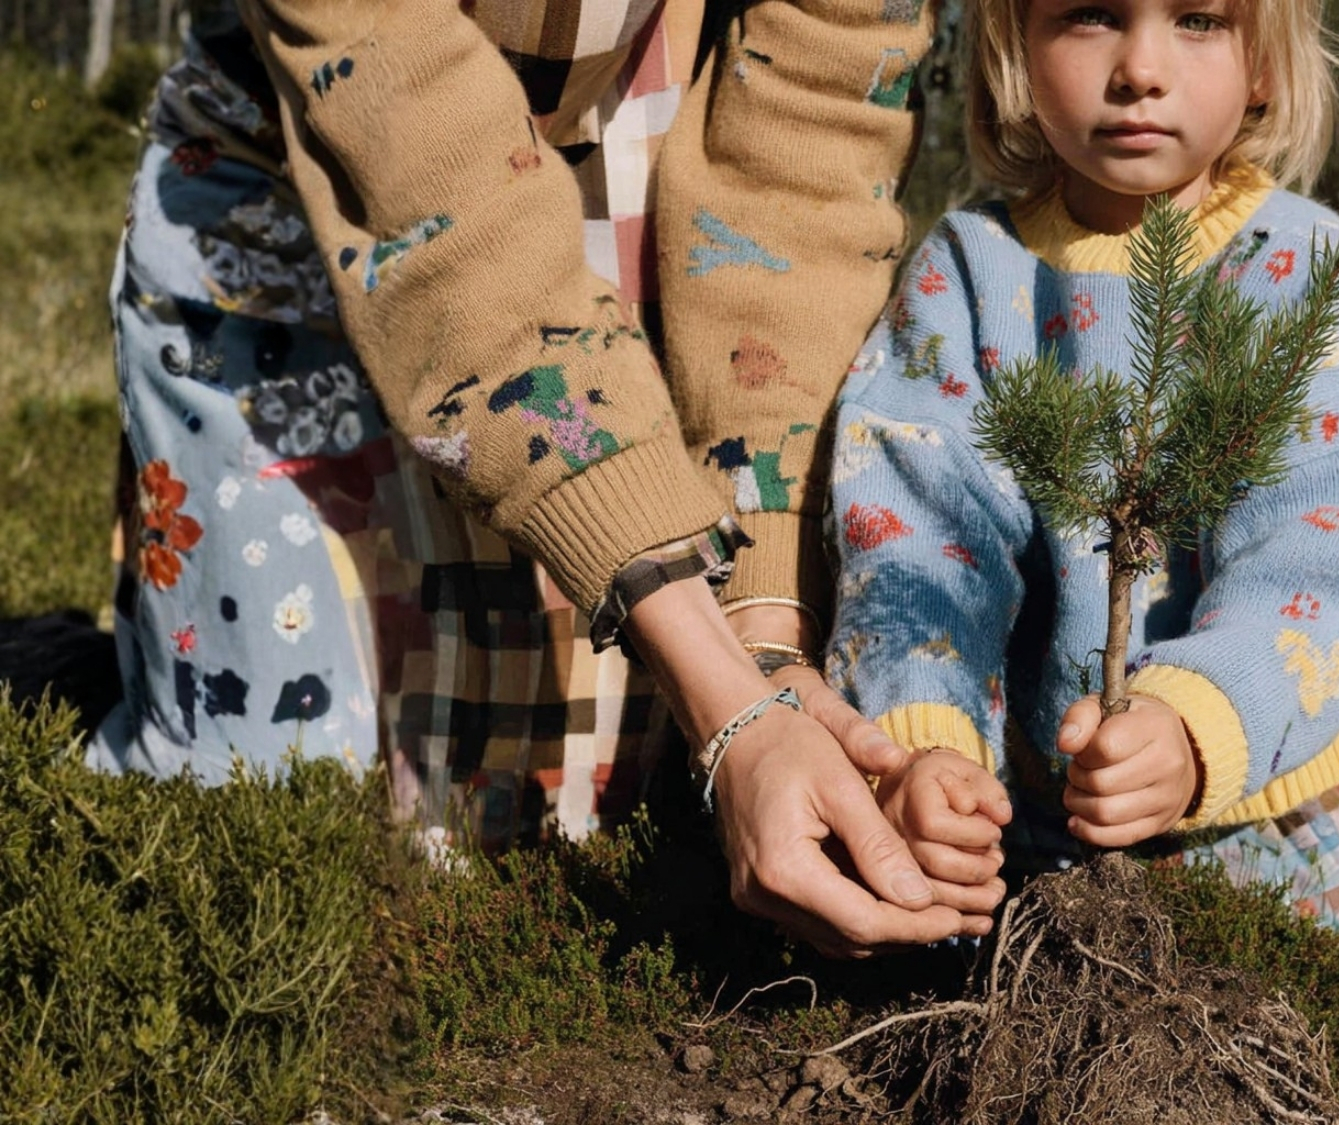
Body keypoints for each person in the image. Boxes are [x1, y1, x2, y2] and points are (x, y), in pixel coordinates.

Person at [823, 0, 1339, 1117]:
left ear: (1262, 66)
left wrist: (1197, 715)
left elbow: (1332, 534)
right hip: (1042, 807)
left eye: (1199, 20)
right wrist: (924, 744)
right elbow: (915, 534)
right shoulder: (966, 276)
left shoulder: (1296, 271)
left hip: (1275, 787)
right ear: (1012, 49)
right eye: (1089, 18)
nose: (1140, 70)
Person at [87, 0, 993, 957]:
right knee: (280, 833)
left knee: (584, 817)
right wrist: (728, 711)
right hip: (313, 170)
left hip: (614, 186)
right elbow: (418, 146)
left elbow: (802, 150)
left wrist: (765, 636)